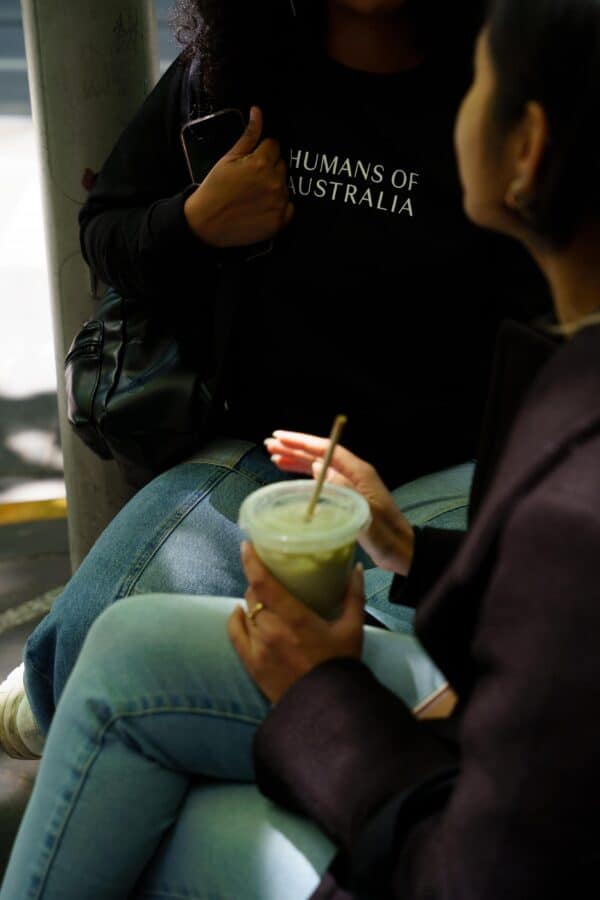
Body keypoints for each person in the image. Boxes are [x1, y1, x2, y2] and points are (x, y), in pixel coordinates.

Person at [2, 0, 600, 896]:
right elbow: (112, 226)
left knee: (159, 745)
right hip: (271, 458)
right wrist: (193, 223)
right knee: (101, 641)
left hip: (448, 482)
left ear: (526, 146)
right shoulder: (236, 79)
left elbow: (491, 848)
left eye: (485, 91)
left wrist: (331, 694)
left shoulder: (564, 472)